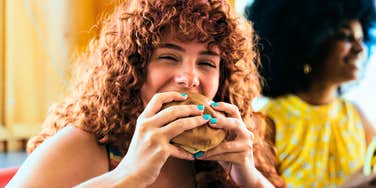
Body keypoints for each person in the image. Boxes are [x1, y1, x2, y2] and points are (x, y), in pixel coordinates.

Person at [7, 0, 285, 187]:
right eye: (168, 57)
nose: (189, 77)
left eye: (206, 63)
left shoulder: (224, 154)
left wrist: (251, 178)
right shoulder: (85, 145)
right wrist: (127, 176)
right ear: (134, 68)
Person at [246, 0, 376, 187]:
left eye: (361, 38)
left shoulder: (355, 116)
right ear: (309, 42)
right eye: (346, 36)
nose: (360, 48)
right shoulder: (269, 122)